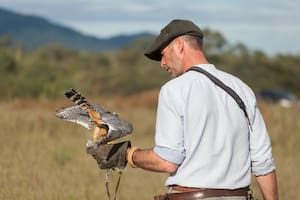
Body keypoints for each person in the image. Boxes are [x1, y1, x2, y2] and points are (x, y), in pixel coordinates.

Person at [88, 19, 278, 200]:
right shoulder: (241, 89)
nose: (162, 63)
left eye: (162, 55)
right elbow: (263, 165)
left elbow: (167, 160)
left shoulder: (174, 89)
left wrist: (128, 155)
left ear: (179, 45)